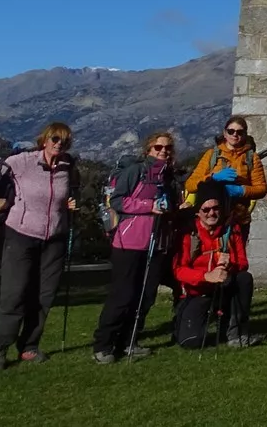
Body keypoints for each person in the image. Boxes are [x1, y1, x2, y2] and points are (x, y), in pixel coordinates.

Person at [0, 122, 80, 370]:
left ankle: (29, 346)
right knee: (15, 293)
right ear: (44, 139)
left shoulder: (70, 168)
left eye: (64, 141)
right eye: (55, 139)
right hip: (21, 235)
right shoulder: (24, 161)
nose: (59, 144)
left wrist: (71, 204)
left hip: (54, 239)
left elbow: (70, 194)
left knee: (45, 295)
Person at [92, 131, 177, 364]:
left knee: (146, 296)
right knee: (122, 295)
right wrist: (150, 206)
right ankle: (104, 344)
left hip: (157, 243)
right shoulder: (135, 171)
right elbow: (118, 200)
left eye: (167, 148)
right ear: (148, 150)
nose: (163, 151)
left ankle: (129, 341)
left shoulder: (168, 176)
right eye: (158, 147)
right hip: (129, 242)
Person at [171, 181, 259, 349]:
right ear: (198, 212)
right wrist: (206, 276)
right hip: (198, 292)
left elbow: (243, 262)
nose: (211, 213)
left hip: (225, 287)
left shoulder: (231, 229)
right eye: (206, 209)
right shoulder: (188, 234)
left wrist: (228, 266)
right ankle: (185, 321)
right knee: (191, 342)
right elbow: (179, 271)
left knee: (244, 278)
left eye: (216, 208)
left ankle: (236, 331)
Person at [183, 114, 267, 230]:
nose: (235, 135)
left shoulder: (252, 158)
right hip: (211, 216)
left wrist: (241, 190)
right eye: (231, 131)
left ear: (245, 135)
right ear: (225, 133)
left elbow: (261, 189)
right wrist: (212, 178)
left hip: (238, 216)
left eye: (239, 132)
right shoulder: (211, 155)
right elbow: (190, 185)